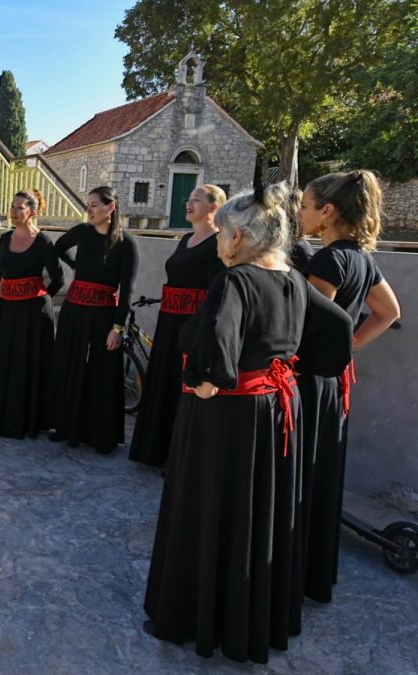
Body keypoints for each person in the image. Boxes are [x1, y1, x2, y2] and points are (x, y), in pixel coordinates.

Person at [143, 183, 353, 664]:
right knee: (261, 514)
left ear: (237, 239)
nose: (217, 243)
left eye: (221, 234)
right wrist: (296, 370)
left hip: (230, 418)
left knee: (212, 507)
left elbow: (216, 340)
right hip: (280, 411)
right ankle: (254, 621)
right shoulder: (294, 279)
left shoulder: (234, 281)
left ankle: (195, 619)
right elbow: (340, 326)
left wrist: (205, 382)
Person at [297, 170, 401, 604]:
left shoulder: (326, 262)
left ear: (327, 212)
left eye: (304, 206)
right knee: (322, 474)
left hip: (307, 383)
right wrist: (350, 348)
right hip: (335, 383)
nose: (299, 213)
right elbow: (388, 312)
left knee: (299, 477)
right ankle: (313, 573)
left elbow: (300, 326)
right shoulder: (362, 258)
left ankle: (291, 571)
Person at [128, 185, 226, 466]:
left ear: (213, 208)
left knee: (181, 388)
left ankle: (178, 456)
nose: (188, 203)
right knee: (163, 383)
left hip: (190, 326)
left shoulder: (217, 244)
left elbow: (214, 293)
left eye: (196, 200)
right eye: (189, 198)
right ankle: (154, 448)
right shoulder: (185, 239)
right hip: (168, 322)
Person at [48, 185, 138, 454]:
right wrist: (77, 268)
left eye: (94, 205)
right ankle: (66, 428)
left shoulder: (126, 243)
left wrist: (117, 328)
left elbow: (127, 290)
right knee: (70, 364)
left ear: (110, 208)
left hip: (104, 316)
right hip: (74, 310)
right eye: (88, 205)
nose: (89, 210)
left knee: (102, 371)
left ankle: (100, 435)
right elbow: (59, 248)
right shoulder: (82, 232)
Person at [0, 190, 64, 439]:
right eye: (12, 206)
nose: (14, 212)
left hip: (33, 313)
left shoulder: (44, 242)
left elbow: (59, 279)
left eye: (20, 208)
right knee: (4, 359)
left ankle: (28, 420)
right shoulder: (4, 238)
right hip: (7, 308)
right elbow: (1, 272)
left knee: (28, 363)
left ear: (33, 212)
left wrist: (37, 297)